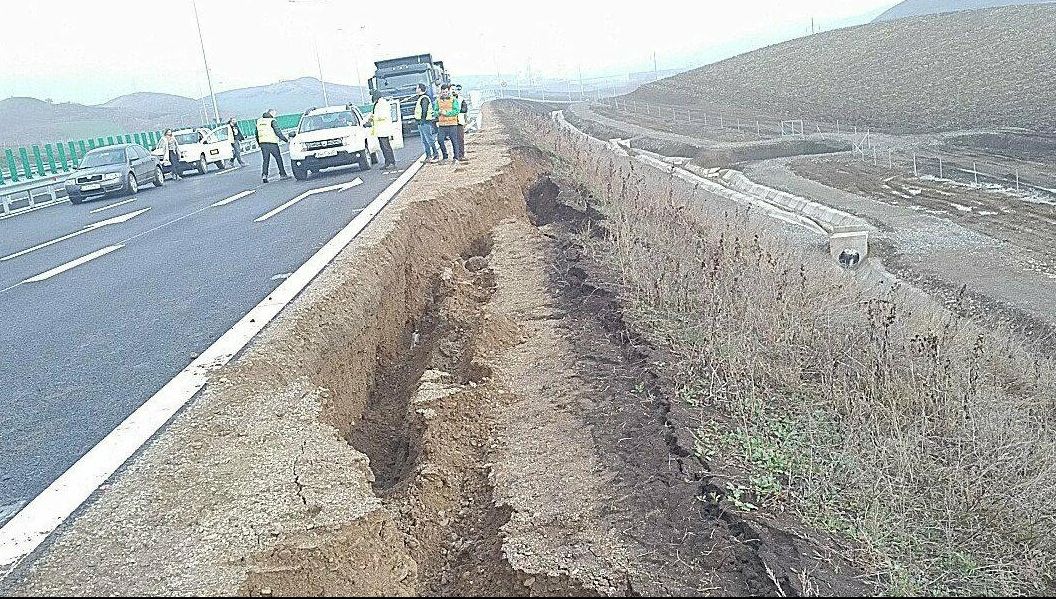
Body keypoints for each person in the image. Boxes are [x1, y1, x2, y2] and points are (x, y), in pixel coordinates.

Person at [256, 109, 289, 183]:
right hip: (272, 143)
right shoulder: (272, 121)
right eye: (274, 113)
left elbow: (256, 133)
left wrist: (259, 143)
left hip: (263, 143)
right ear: (271, 113)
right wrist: (286, 140)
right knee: (278, 158)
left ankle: (264, 175)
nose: (275, 115)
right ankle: (283, 174)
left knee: (266, 160)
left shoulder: (259, 121)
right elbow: (278, 132)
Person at [434, 84, 464, 163]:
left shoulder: (453, 100)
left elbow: (456, 111)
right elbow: (435, 111)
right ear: (441, 92)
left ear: (448, 91)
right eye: (443, 92)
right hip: (442, 125)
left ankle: (456, 158)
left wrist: (446, 113)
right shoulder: (437, 101)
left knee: (454, 141)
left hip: (452, 124)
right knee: (440, 140)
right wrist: (438, 113)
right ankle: (445, 156)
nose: (445, 93)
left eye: (446, 92)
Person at [369, 90, 397, 170]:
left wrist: (374, 117)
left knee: (386, 146)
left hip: (383, 129)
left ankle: (391, 161)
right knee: (383, 147)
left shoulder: (382, 104)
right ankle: (388, 161)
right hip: (380, 129)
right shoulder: (378, 104)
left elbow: (383, 116)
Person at [413, 83, 440, 163]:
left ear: (420, 89)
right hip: (421, 122)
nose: (416, 89)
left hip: (425, 122)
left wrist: (422, 120)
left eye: (417, 88)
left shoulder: (424, 98)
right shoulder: (421, 98)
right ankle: (428, 156)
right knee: (425, 140)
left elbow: (424, 110)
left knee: (429, 139)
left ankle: (435, 154)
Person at [454, 84, 470, 162]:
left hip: (459, 122)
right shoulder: (446, 99)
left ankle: (461, 155)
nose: (454, 91)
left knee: (460, 139)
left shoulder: (461, 99)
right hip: (449, 123)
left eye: (455, 90)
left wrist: (455, 111)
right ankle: (455, 156)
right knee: (453, 140)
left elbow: (465, 109)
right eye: (452, 89)